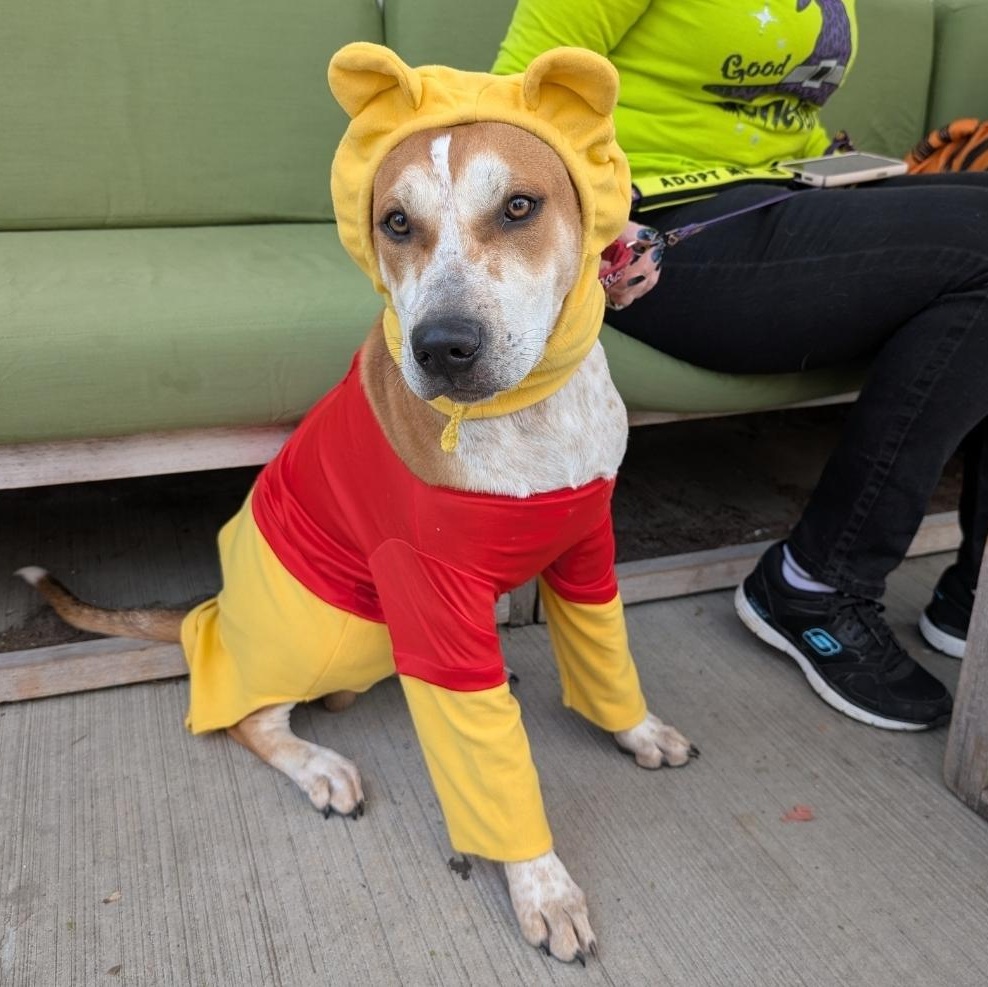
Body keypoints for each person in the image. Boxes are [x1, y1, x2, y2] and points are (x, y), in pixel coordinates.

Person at [493, 0, 988, 731]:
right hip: (660, 231)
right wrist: (599, 216)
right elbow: (513, 102)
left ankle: (971, 593)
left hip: (794, 194)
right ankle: (816, 581)